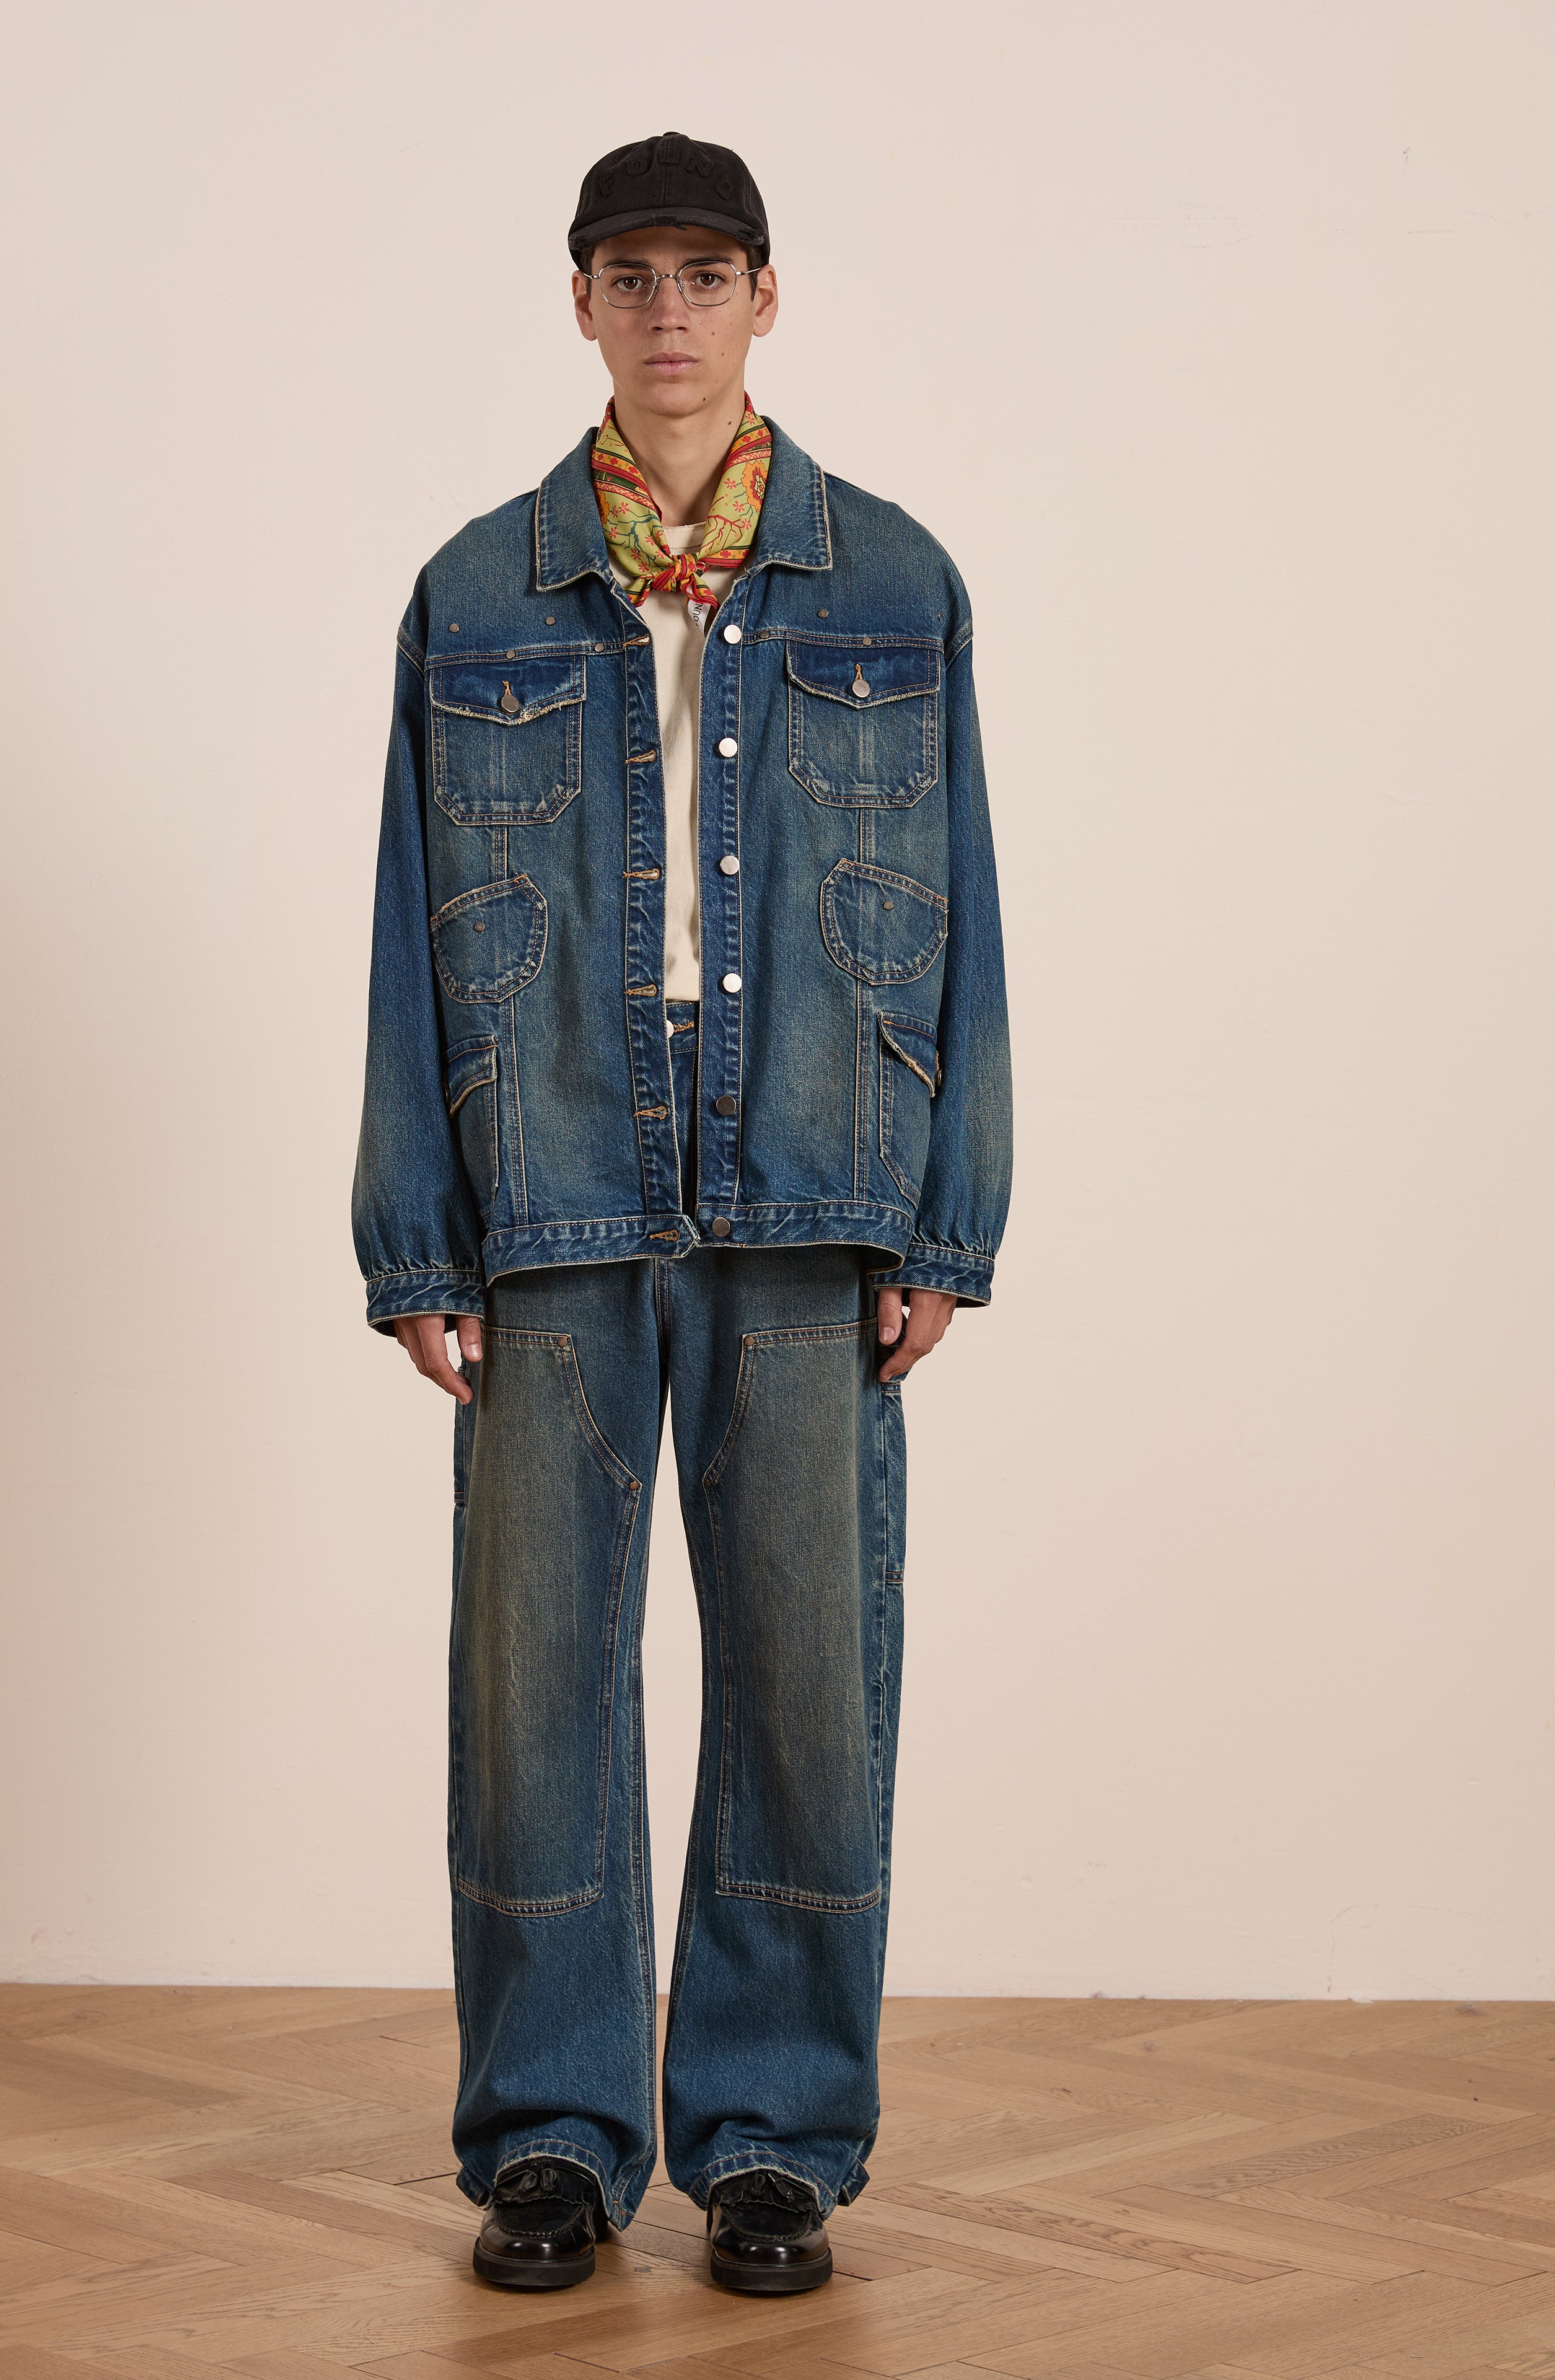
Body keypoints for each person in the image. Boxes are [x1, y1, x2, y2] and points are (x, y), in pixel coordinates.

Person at [352, 130, 1011, 2295]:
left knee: (812, 1688)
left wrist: (949, 1214)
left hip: (817, 1189)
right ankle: (550, 2132)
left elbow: (965, 923)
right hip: (548, 1198)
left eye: (701, 275)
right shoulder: (476, 590)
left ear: (762, 296)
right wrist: (413, 1234)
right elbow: (403, 937)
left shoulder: (895, 582)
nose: (665, 314)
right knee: (534, 1694)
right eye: (626, 276)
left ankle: (770, 2137)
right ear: (579, 304)